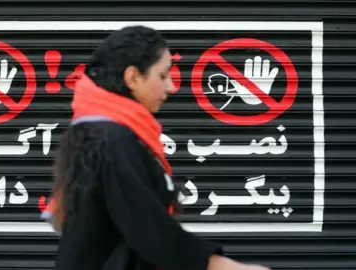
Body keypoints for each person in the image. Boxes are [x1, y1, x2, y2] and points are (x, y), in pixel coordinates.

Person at [41, 25, 271, 270]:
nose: (171, 87)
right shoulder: (111, 141)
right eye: (162, 76)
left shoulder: (98, 133)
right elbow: (148, 230)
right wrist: (228, 267)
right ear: (133, 77)